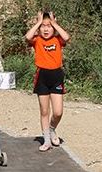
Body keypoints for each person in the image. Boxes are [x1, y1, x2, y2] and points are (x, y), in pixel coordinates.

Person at [26, 11, 70, 152]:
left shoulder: (58, 40)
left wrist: (54, 23)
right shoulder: (37, 40)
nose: (46, 29)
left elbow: (66, 37)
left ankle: (52, 129)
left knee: (58, 112)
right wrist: (38, 23)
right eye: (43, 26)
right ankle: (46, 140)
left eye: (49, 26)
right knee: (44, 111)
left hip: (56, 75)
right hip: (42, 76)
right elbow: (27, 37)